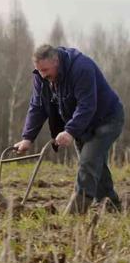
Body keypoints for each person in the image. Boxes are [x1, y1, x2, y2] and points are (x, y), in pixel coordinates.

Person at [14, 44, 124, 214]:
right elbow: (37, 106)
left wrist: (70, 131)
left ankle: (75, 214)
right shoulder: (41, 77)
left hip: (107, 119)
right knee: (95, 164)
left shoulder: (81, 67)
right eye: (38, 70)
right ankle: (111, 205)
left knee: (88, 161)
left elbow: (87, 105)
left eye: (45, 70)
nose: (42, 75)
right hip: (83, 124)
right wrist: (27, 138)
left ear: (56, 61)